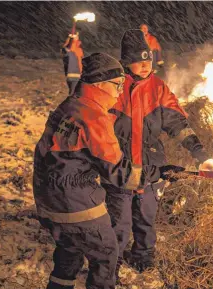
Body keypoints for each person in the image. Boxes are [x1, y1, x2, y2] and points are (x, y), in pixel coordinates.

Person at [103, 29, 213, 274]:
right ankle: (111, 264)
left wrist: (202, 156)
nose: (145, 65)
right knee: (118, 221)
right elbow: (96, 129)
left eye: (148, 60)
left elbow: (178, 124)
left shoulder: (158, 88)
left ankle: (143, 257)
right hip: (119, 167)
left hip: (150, 166)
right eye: (138, 60)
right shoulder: (112, 88)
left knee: (146, 215)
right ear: (125, 61)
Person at [33, 52, 140, 289]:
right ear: (100, 84)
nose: (120, 91)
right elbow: (121, 175)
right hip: (74, 206)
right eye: (117, 85)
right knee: (106, 254)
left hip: (48, 202)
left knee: (69, 251)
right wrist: (157, 174)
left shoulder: (70, 105)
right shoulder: (94, 116)